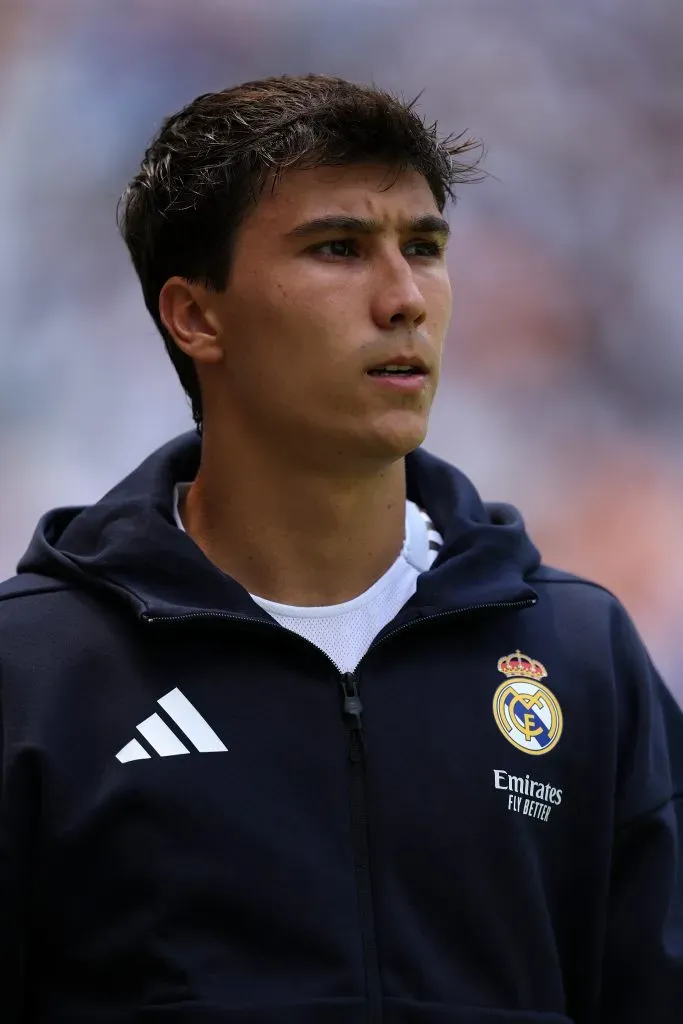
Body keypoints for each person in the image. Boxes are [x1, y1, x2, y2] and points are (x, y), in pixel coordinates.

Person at [0, 74, 681, 1024]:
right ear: (196, 317)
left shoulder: (580, 655)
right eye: (338, 249)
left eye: (424, 248)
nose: (404, 299)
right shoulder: (32, 673)